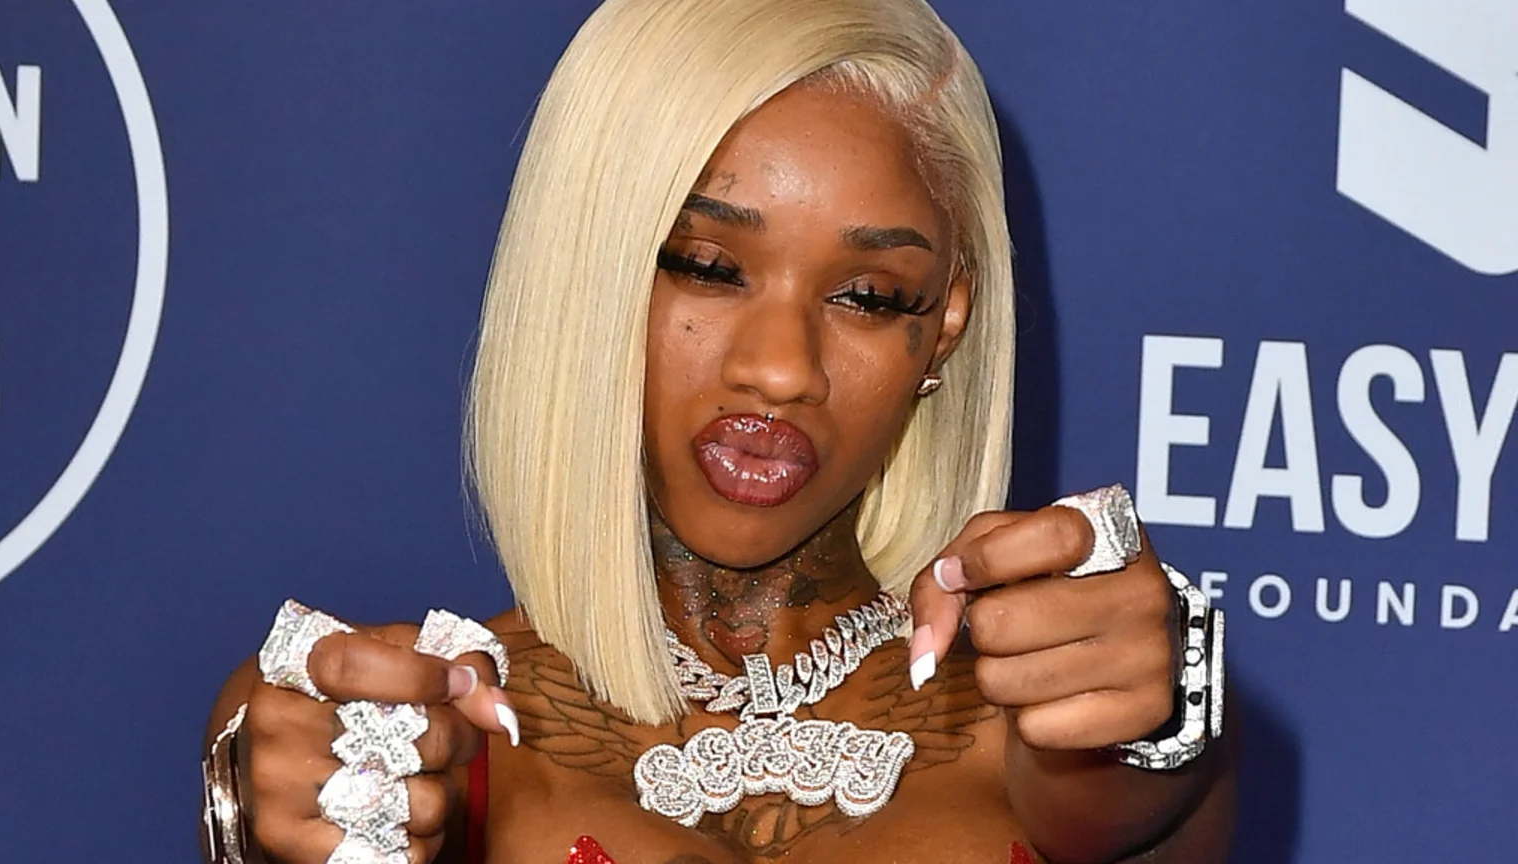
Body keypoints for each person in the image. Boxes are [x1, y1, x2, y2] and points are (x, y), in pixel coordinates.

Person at [202, 0, 1236, 861]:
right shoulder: (401, 741)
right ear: (589, 269)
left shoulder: (1055, 733)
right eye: (706, 266)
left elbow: (1125, 805)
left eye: (871, 294)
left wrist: (1162, 720)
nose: (781, 367)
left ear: (945, 327)